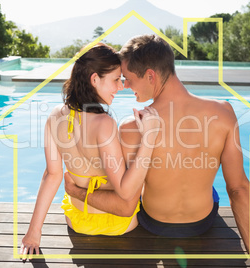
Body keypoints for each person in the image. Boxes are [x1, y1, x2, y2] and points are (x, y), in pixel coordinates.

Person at [64, 35, 250, 259]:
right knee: (208, 188)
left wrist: (76, 190)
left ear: (150, 75)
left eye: (128, 78)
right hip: (201, 223)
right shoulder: (224, 113)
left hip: (155, 223)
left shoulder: (131, 127)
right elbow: (238, 189)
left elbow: (125, 200)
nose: (125, 86)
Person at [20, 43, 160, 260]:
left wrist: (33, 232)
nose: (121, 87)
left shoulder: (55, 116)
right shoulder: (104, 124)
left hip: (77, 221)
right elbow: (124, 194)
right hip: (118, 224)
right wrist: (148, 137)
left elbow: (52, 175)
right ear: (94, 79)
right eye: (115, 80)